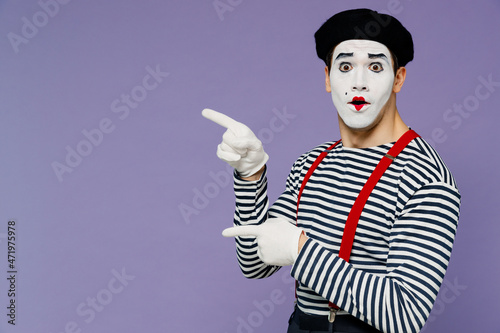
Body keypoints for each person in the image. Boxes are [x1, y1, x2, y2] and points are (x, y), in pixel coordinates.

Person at [203, 8, 460, 333]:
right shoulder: (310, 163)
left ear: (398, 79)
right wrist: (251, 176)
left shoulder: (425, 177)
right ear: (328, 78)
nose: (359, 83)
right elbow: (256, 263)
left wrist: (300, 250)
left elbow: (404, 315)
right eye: (346, 66)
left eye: (376, 67)